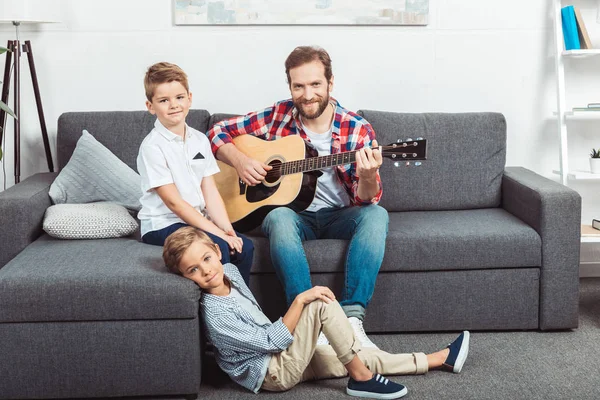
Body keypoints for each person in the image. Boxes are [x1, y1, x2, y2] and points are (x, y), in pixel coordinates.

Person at [207, 45, 387, 347]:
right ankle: (307, 319)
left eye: (315, 84)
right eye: (298, 86)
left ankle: (352, 320)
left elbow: (366, 199)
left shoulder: (357, 129)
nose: (307, 94)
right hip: (294, 217)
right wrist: (239, 161)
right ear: (290, 86)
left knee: (376, 215)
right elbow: (216, 131)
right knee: (277, 216)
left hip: (340, 216)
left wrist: (368, 175)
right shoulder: (279, 114)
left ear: (330, 83)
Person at [163, 227, 470, 399]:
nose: (206, 270)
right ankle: (361, 380)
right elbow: (270, 342)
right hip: (271, 372)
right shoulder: (216, 314)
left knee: (352, 355)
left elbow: (271, 336)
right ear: (185, 277)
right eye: (193, 270)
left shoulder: (229, 270)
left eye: (206, 258)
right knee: (318, 302)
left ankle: (437, 359)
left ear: (217, 252)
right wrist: (299, 301)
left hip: (281, 353)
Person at [137, 62, 253, 285]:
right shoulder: (152, 147)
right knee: (217, 248)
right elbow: (174, 204)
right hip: (163, 223)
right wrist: (217, 234)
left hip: (194, 221)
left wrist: (227, 229)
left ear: (189, 98)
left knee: (244, 246)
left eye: (179, 97)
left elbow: (209, 190)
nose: (173, 105)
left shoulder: (199, 139)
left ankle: (245, 306)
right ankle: (222, 311)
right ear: (150, 106)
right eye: (163, 100)